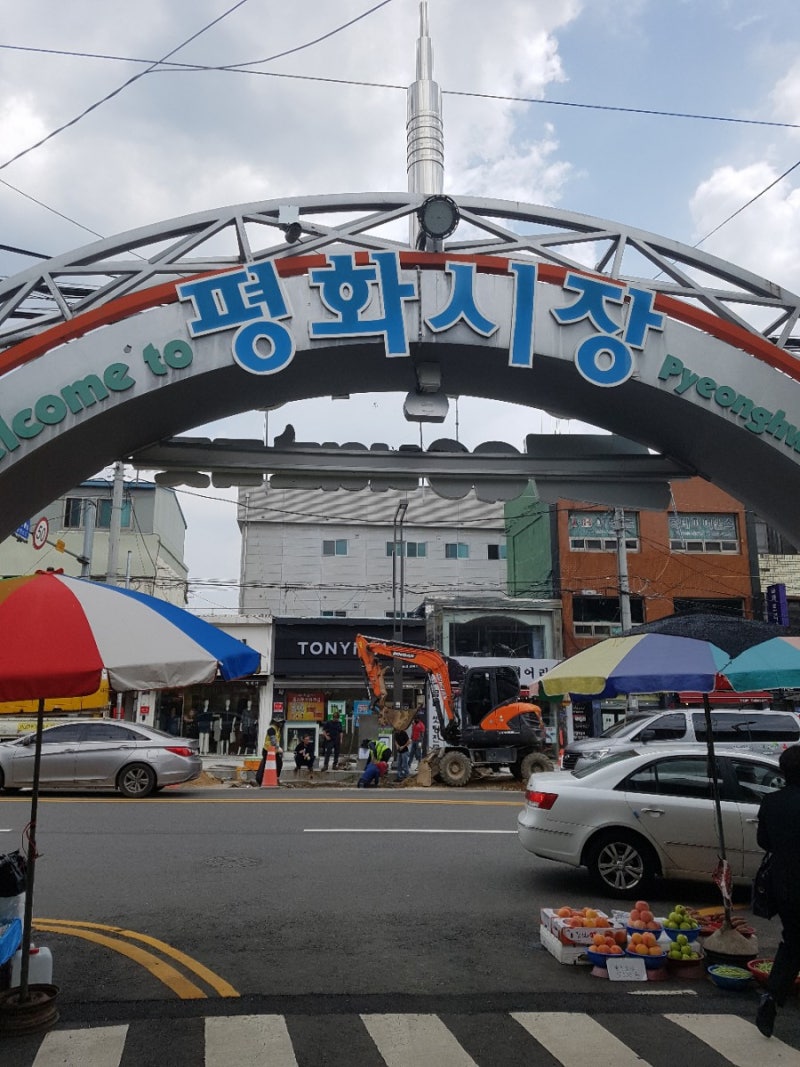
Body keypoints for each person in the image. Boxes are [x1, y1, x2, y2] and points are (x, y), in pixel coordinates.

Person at [755, 744, 800, 1037]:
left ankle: (772, 997)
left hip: (784, 885)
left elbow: (764, 842)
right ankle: (772, 996)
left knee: (794, 940)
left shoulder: (770, 803)